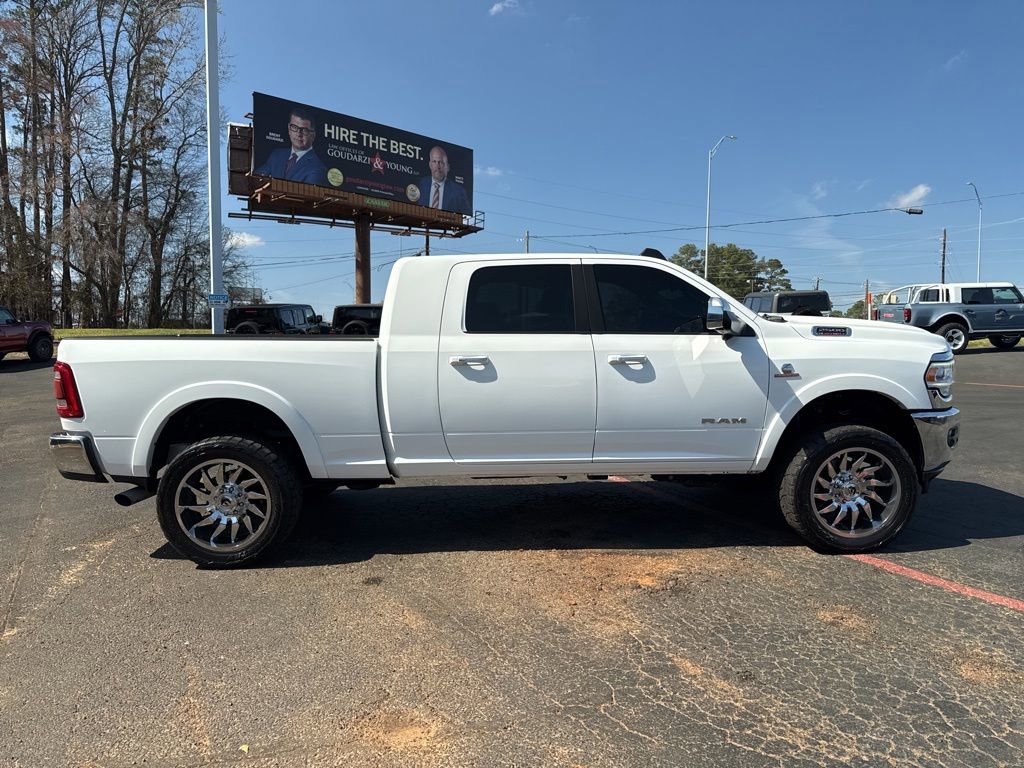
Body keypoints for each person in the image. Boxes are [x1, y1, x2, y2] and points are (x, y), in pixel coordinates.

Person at [255, 106, 327, 186]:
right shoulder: (277, 154)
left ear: (313, 135)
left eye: (304, 130)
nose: (298, 134)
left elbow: (307, 196)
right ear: (289, 129)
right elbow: (257, 177)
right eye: (294, 127)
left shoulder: (317, 168)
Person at [417, 146, 470, 214]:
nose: (437, 166)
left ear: (447, 167)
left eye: (441, 162)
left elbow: (466, 213)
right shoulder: (420, 184)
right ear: (430, 164)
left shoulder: (459, 192)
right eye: (434, 161)